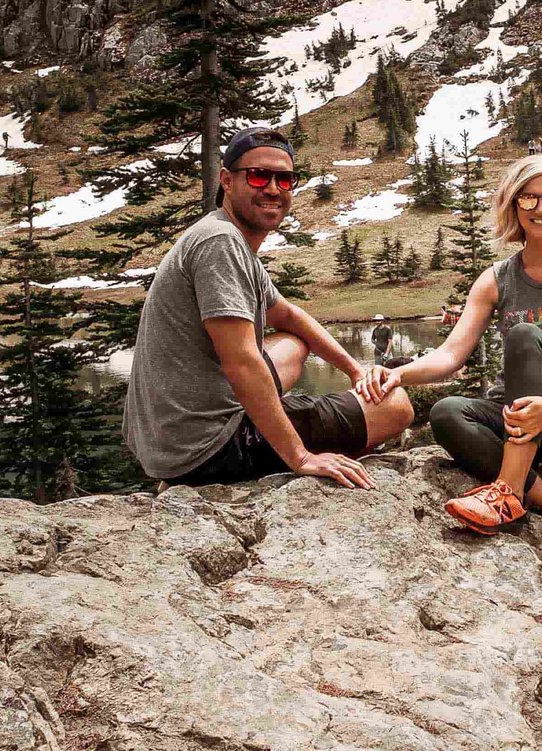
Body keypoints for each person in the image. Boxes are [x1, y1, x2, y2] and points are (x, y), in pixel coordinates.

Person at [123, 128, 412, 489]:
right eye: (259, 176)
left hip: (172, 441)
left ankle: (267, 415)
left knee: (293, 344)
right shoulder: (220, 243)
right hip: (208, 447)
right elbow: (241, 363)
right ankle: (269, 434)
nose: (273, 189)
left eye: (285, 179)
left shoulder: (225, 236)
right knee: (396, 405)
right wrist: (301, 457)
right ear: (227, 181)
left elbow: (288, 316)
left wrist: (355, 370)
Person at [394, 153, 542, 546]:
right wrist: (396, 375)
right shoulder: (495, 279)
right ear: (512, 205)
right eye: (527, 198)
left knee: (522, 335)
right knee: (446, 413)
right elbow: (451, 355)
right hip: (520, 417)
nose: (540, 208)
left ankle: (507, 491)